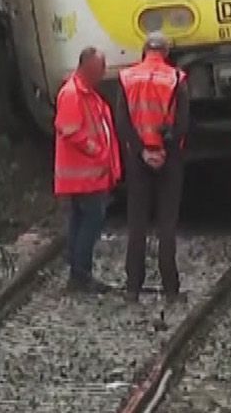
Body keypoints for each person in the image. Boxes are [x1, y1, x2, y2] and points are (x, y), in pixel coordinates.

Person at [116, 31, 191, 303]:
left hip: (138, 160)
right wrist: (163, 149)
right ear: (166, 52)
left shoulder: (127, 78)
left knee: (137, 223)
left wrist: (142, 150)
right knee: (166, 225)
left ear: (144, 50)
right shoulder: (176, 78)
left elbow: (122, 122)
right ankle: (171, 288)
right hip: (169, 159)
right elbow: (182, 123)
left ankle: (132, 288)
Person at [54, 47, 120, 293]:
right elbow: (70, 130)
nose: (103, 74)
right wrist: (98, 151)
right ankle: (81, 275)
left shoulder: (85, 93)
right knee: (90, 221)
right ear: (88, 67)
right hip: (84, 176)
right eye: (100, 69)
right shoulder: (73, 94)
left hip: (87, 175)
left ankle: (78, 274)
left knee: (80, 221)